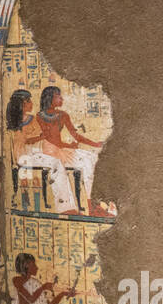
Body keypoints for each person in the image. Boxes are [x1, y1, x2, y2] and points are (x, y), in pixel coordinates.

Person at [36, 85, 102, 215]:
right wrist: (69, 146)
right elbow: (51, 140)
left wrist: (95, 144)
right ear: (50, 98)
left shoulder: (63, 115)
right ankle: (88, 206)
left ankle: (93, 203)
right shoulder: (39, 116)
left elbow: (76, 136)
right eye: (58, 96)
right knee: (85, 162)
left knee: (93, 158)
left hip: (61, 149)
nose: (62, 99)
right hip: (51, 151)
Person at [6, 89, 74, 214]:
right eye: (29, 101)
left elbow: (37, 137)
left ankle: (66, 206)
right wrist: (41, 137)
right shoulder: (16, 122)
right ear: (22, 104)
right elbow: (28, 140)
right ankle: (65, 207)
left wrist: (43, 138)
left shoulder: (27, 119)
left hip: (30, 153)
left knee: (57, 162)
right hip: (25, 155)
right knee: (56, 164)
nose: (32, 103)